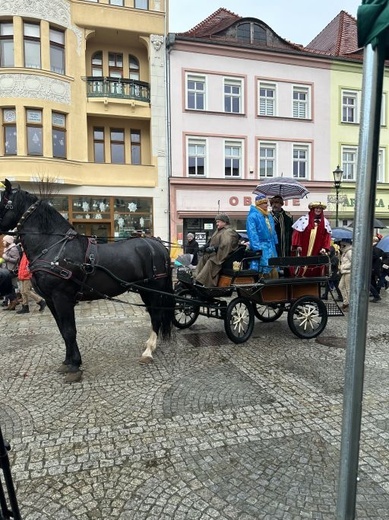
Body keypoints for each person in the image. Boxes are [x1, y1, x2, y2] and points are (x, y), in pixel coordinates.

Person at [195, 214, 239, 287]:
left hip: (223, 257)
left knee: (211, 262)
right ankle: (196, 277)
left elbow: (226, 245)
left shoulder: (228, 231)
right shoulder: (218, 231)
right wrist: (205, 246)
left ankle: (201, 281)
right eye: (216, 222)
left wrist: (214, 248)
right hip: (215, 254)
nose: (217, 224)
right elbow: (211, 241)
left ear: (224, 222)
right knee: (204, 258)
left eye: (218, 222)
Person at [291, 201, 332, 276]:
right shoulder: (303, 219)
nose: (318, 210)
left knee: (315, 264)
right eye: (316, 208)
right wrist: (298, 245)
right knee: (302, 264)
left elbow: (327, 237)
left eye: (320, 209)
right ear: (312, 209)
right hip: (304, 248)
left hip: (317, 249)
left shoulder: (325, 222)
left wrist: (324, 248)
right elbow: (297, 234)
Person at [246, 194, 278, 278]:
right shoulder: (252, 216)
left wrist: (275, 242)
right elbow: (252, 234)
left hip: (271, 246)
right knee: (263, 267)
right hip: (262, 247)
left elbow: (273, 231)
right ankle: (264, 287)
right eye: (264, 203)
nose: (267, 205)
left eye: (266, 203)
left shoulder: (268, 215)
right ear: (259, 204)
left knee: (273, 266)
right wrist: (257, 248)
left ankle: (275, 287)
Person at [1, 235, 21, 311]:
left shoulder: (13, 249)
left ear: (8, 241)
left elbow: (16, 260)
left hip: (11, 270)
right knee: (9, 287)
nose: (3, 242)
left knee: (6, 286)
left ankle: (13, 300)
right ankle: (12, 302)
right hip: (7, 269)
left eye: (4, 241)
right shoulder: (7, 248)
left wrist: (6, 258)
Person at [338, 238, 352, 310]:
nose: (340, 245)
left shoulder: (349, 252)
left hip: (348, 272)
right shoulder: (345, 252)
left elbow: (353, 262)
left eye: (342, 244)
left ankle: (349, 304)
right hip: (345, 272)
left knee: (348, 288)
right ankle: (346, 302)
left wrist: (343, 267)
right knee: (341, 286)